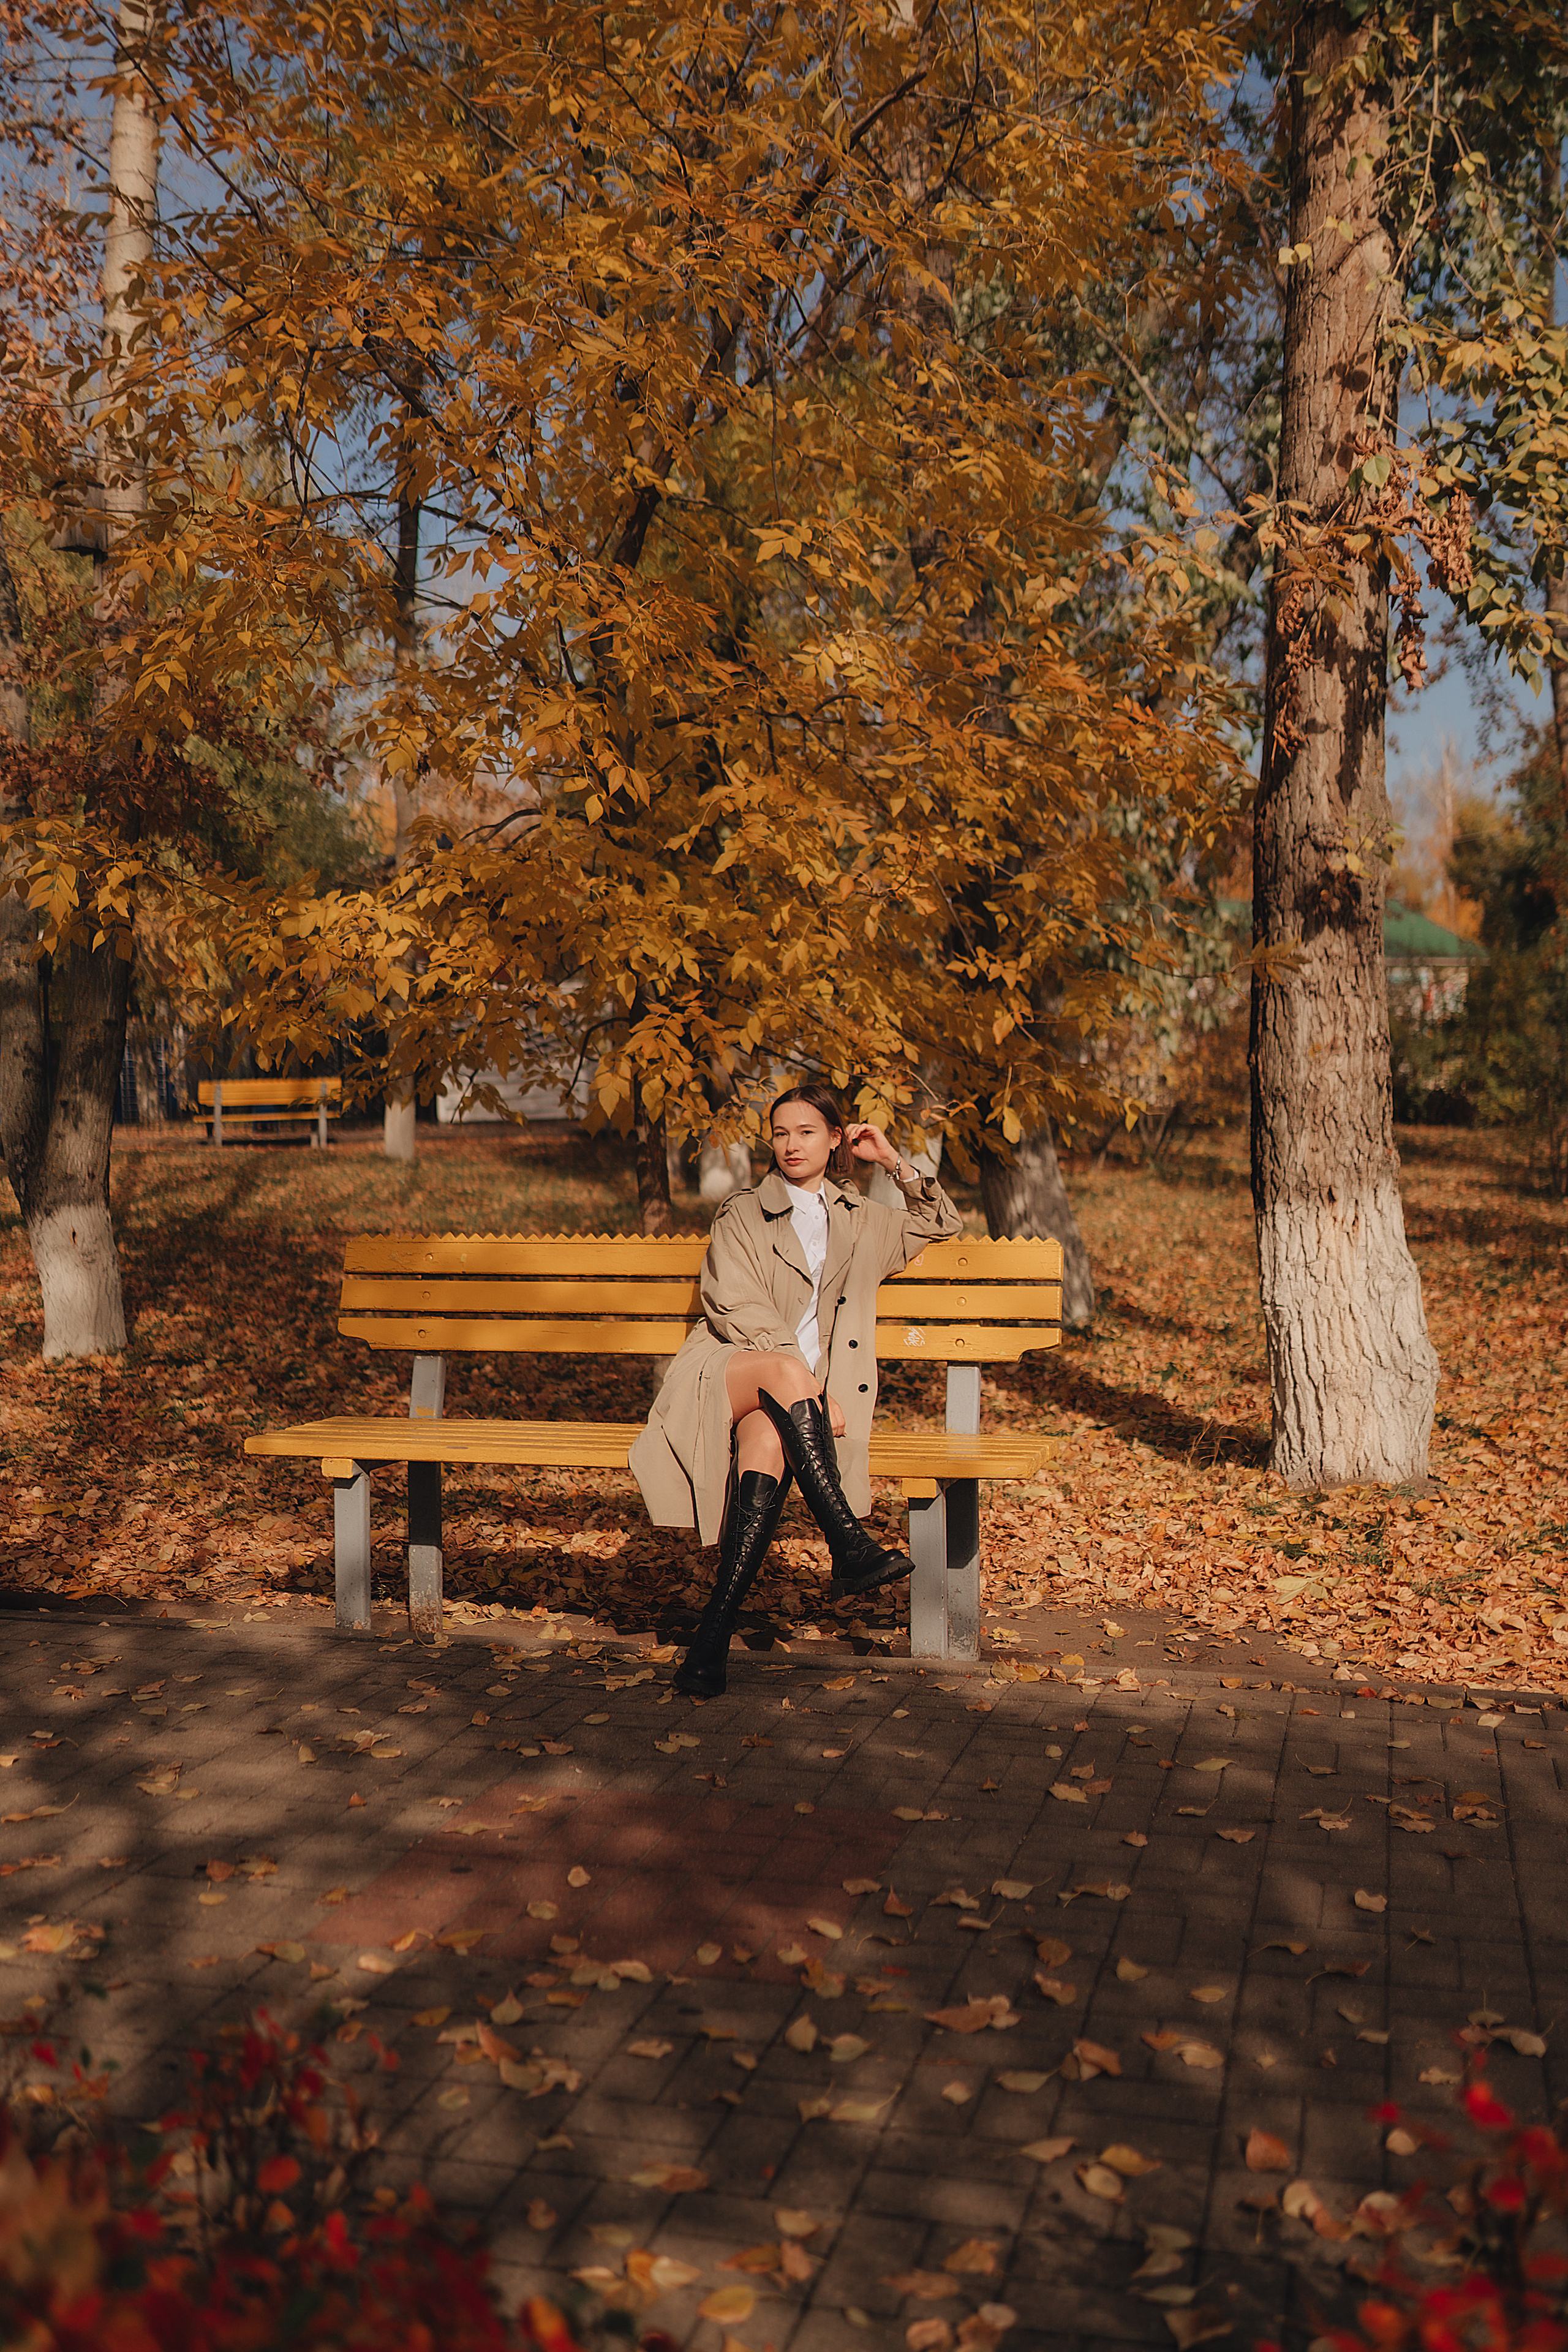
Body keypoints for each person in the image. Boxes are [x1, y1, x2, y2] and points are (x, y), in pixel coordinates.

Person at [628, 1081, 962, 1698]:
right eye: (780, 1133)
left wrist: (891, 1161)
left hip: (789, 1407)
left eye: (807, 1131)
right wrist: (805, 1380)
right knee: (782, 1378)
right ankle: (848, 1545)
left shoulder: (862, 1221)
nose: (790, 1144)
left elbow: (940, 1222)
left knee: (765, 1453)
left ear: (837, 1138)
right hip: (726, 1373)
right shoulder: (743, 1210)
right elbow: (733, 1303)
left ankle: (708, 1647)